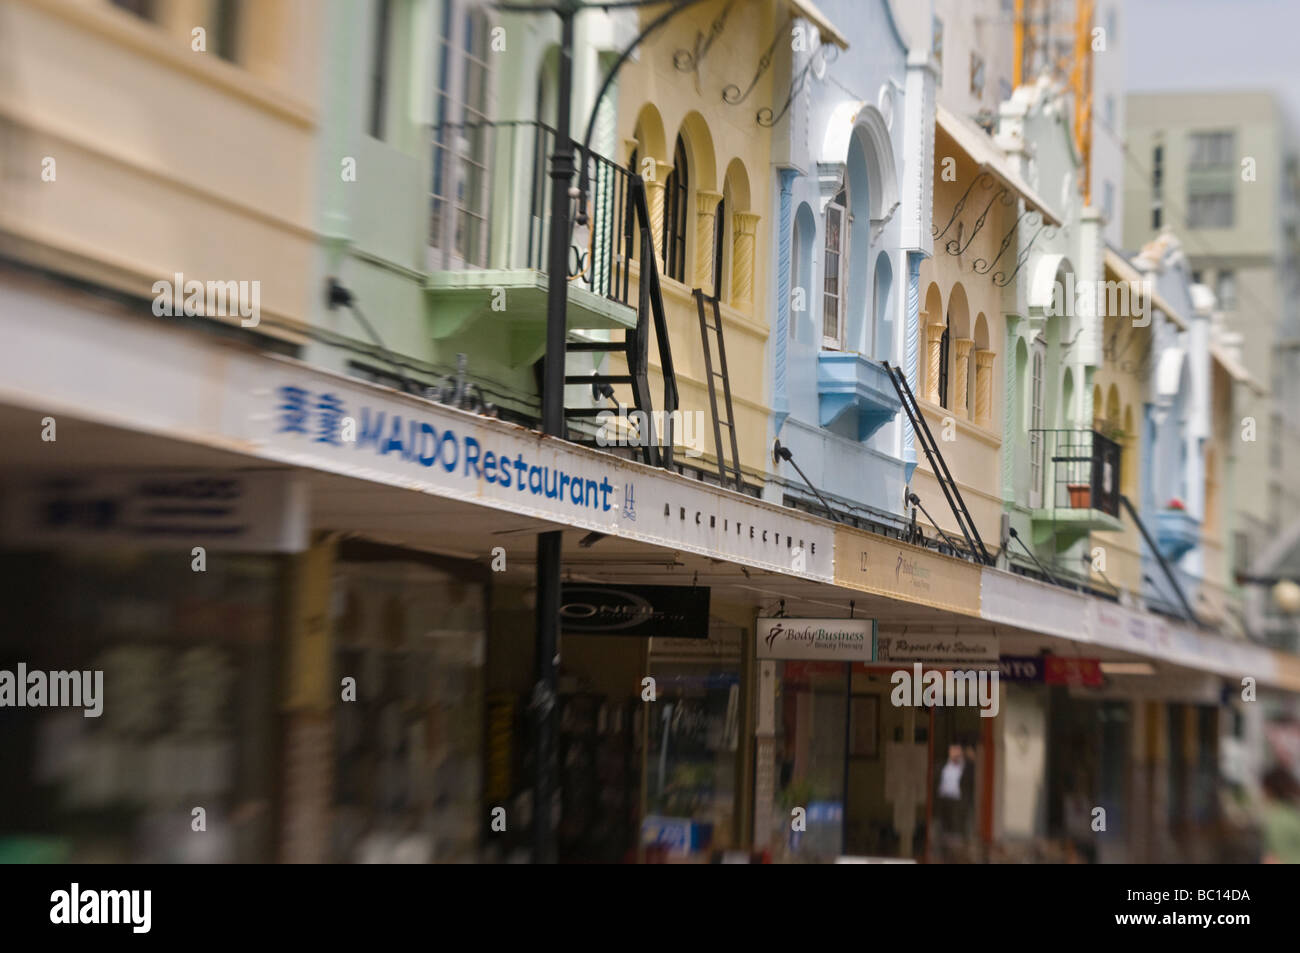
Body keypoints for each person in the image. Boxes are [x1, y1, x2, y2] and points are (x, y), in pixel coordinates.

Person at [935, 743, 975, 852]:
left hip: (960, 801)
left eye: (957, 751)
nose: (955, 753)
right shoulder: (942, 765)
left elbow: (971, 783)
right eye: (953, 751)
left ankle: (957, 850)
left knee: (957, 828)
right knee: (945, 828)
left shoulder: (967, 767)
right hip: (944, 799)